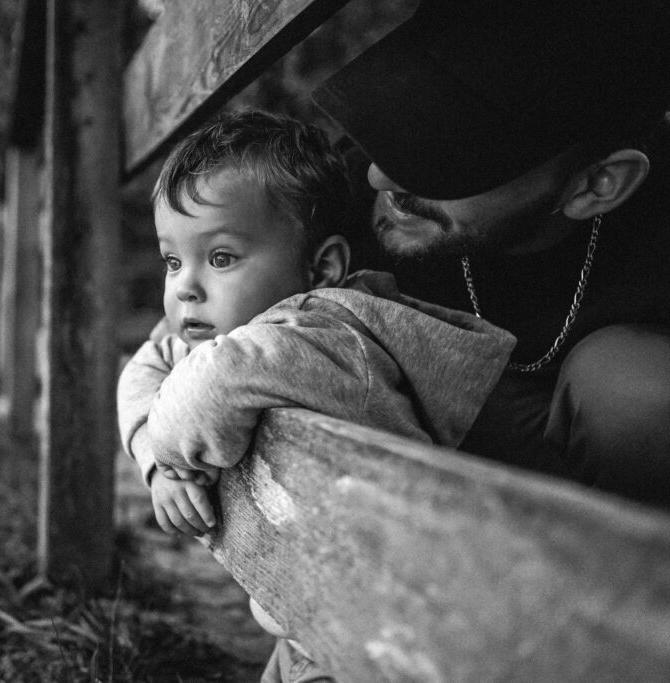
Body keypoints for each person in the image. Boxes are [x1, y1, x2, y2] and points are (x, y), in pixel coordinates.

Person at [116, 110, 516, 681]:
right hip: (306, 622)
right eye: (172, 260)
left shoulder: (328, 332)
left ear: (321, 267)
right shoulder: (223, 330)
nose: (185, 286)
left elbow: (212, 383)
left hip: (384, 636)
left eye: (221, 257)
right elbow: (144, 369)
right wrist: (158, 464)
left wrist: (171, 447)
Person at [311, 0, 670, 507]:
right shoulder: (333, 196)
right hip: (414, 501)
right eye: (400, 125)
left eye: (445, 158)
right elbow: (197, 324)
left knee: (635, 387)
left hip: (611, 527)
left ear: (597, 185)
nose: (381, 177)